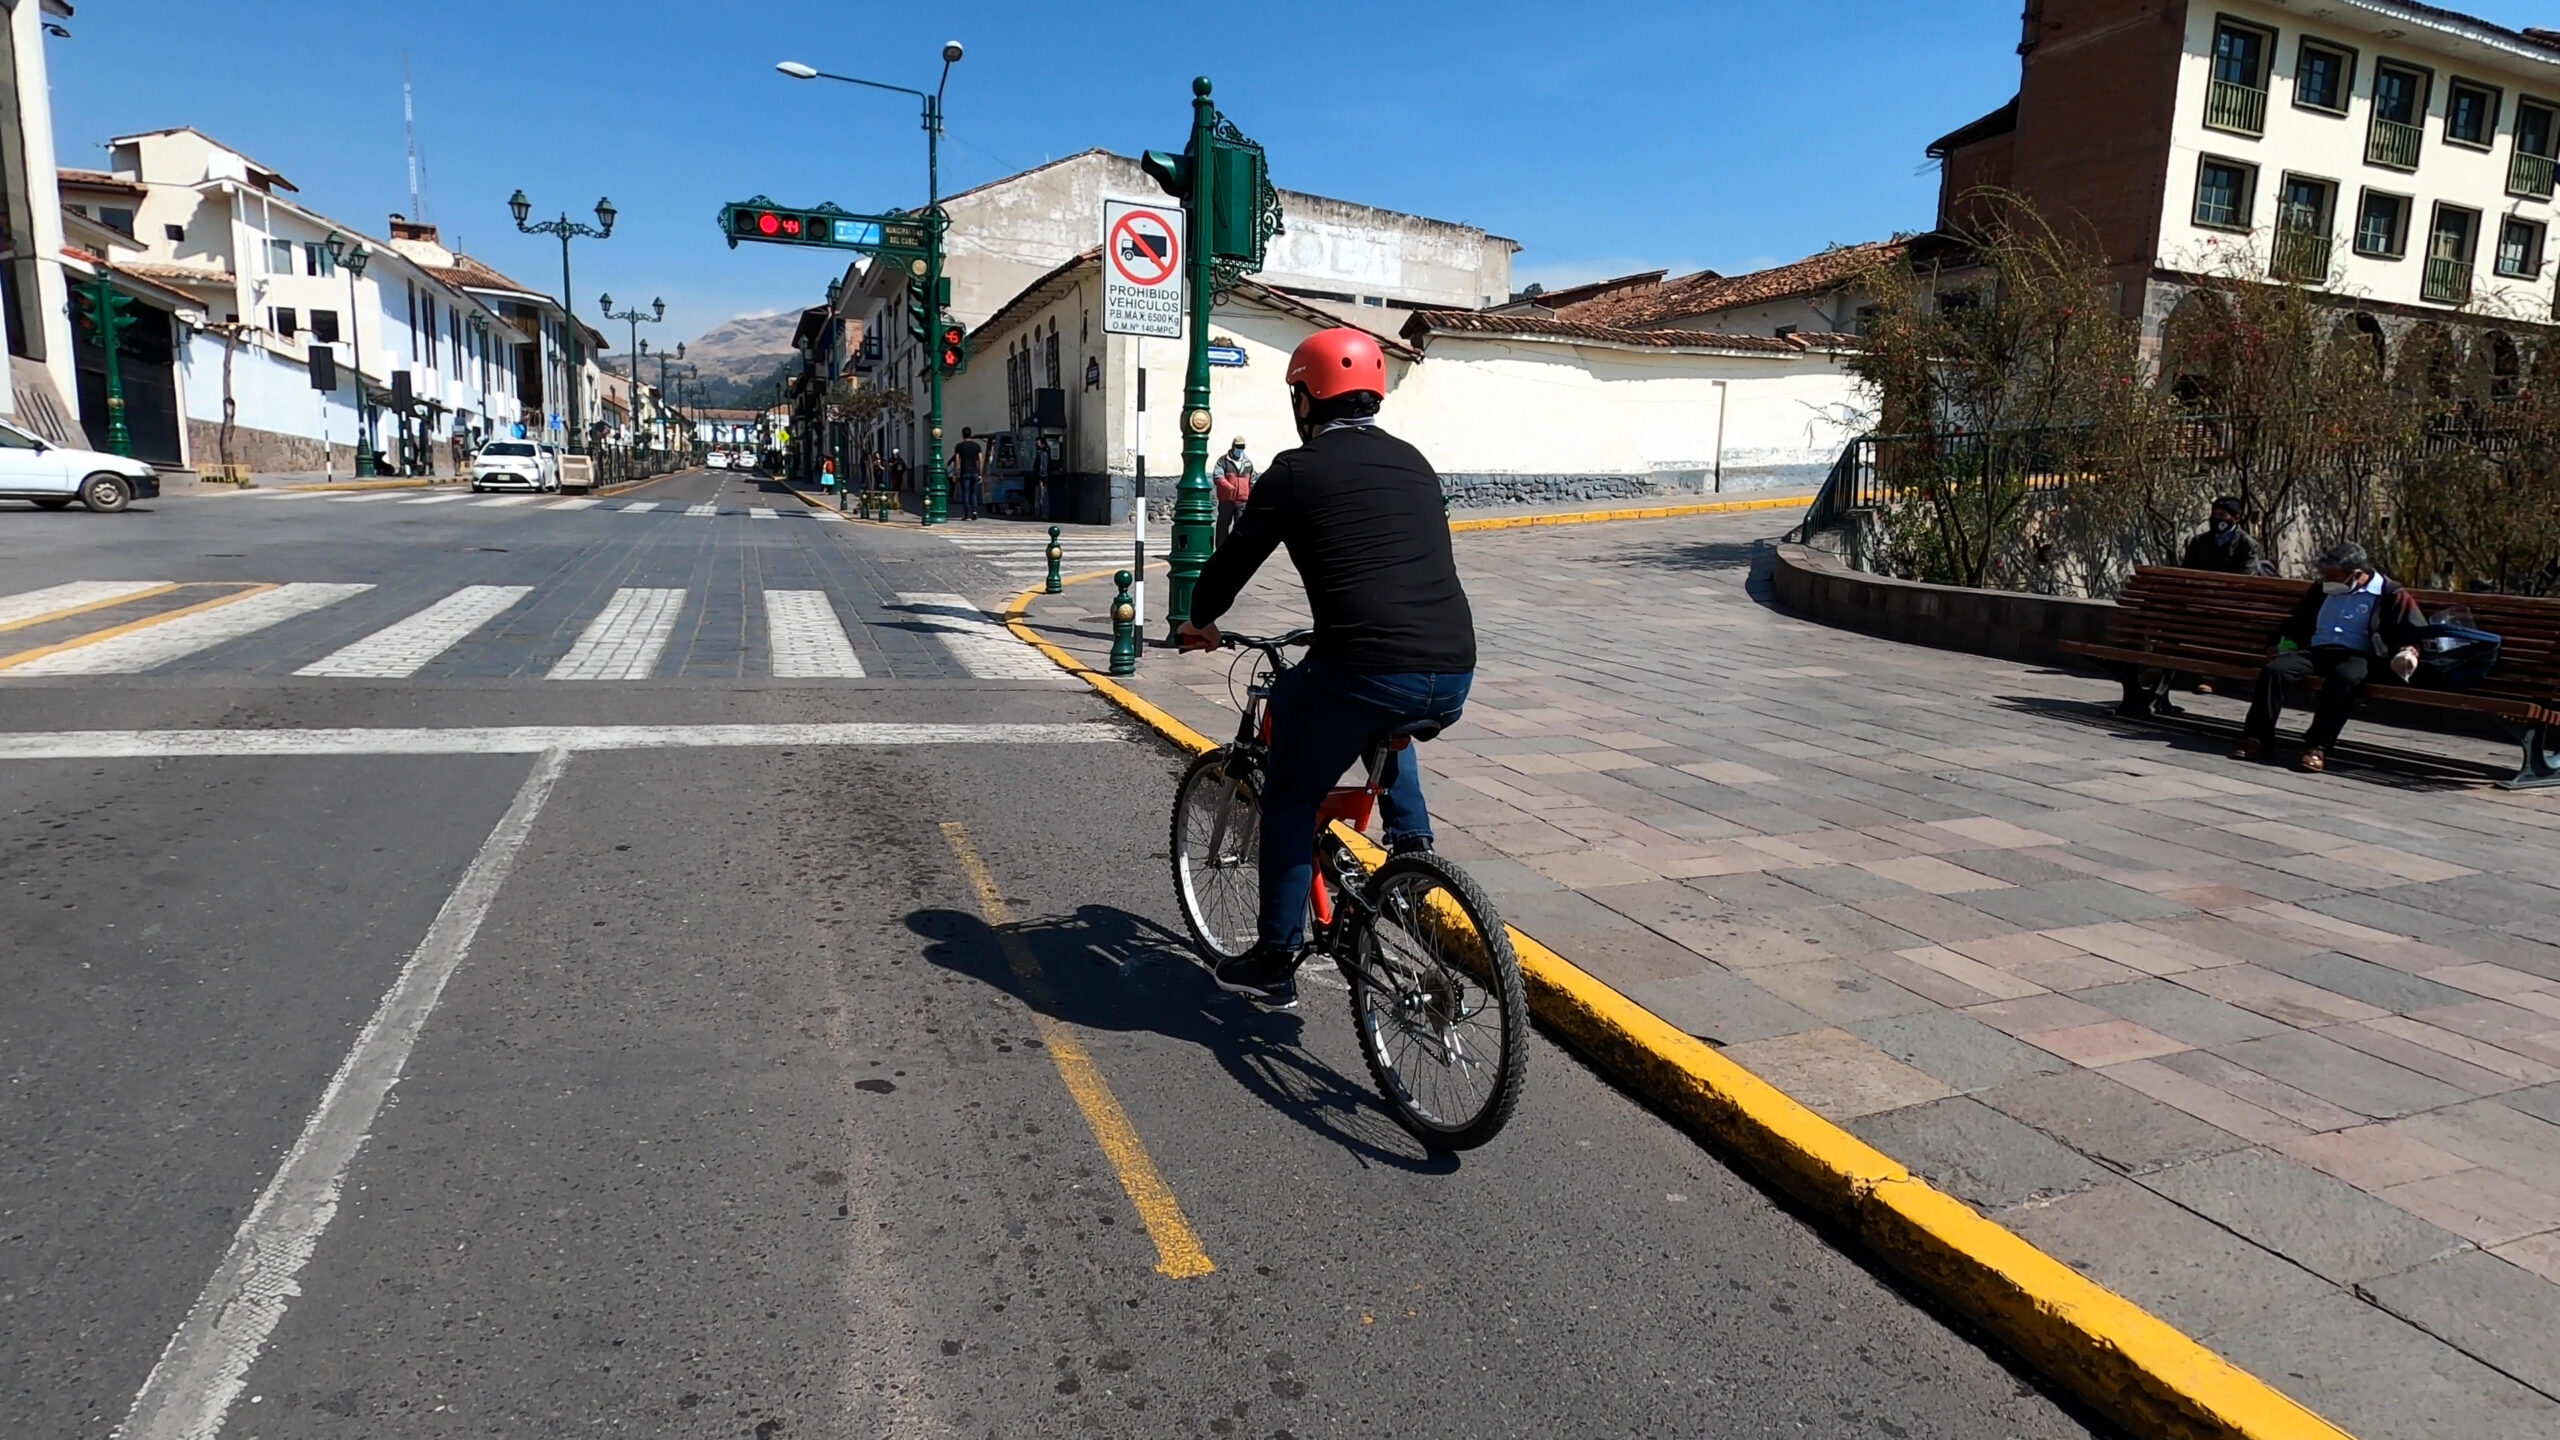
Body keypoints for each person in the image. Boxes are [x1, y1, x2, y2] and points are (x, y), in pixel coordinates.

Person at [1177, 328, 1475, 1008]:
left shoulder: (1294, 471)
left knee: (1287, 795)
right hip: (1454, 666)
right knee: (1388, 715)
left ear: (1307, 398)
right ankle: (1411, 854)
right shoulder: (1415, 463)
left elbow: (1233, 563)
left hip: (1366, 665)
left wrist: (1201, 616)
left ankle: (1276, 957)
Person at [2237, 542, 2425, 773]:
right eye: (2324, 576)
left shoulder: (2390, 594)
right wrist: (2278, 642)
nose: (2326, 581)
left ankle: (2317, 747)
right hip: (2318, 650)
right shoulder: (2321, 589)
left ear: (2356, 574)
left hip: (2358, 654)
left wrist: (2408, 650)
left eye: (2332, 577)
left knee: (2344, 679)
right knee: (2275, 671)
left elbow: (2415, 631)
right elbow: (2299, 620)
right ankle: (2258, 739)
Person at [2182, 496, 2266, 574]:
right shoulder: (2198, 542)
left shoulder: (2248, 545)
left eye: (2221, 515)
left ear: (2236, 518)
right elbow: (2187, 571)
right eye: (2214, 514)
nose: (2215, 518)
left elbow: (2246, 575)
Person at [1213, 436, 1256, 547]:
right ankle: (1220, 551)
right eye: (1238, 447)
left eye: (1242, 447)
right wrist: (1228, 487)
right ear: (1233, 446)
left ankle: (1238, 552)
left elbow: (1252, 481)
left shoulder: (1248, 463)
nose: (1240, 449)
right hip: (1226, 501)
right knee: (1223, 527)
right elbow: (1218, 476)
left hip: (1242, 502)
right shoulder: (1223, 461)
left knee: (1241, 528)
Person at [954, 427, 985, 520]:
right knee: (973, 492)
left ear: (962, 434)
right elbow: (980, 459)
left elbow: (957, 460)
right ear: (970, 434)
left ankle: (966, 513)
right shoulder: (977, 446)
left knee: (965, 493)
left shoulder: (959, 446)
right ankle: (974, 511)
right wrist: (980, 473)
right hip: (975, 472)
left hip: (965, 472)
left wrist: (956, 473)